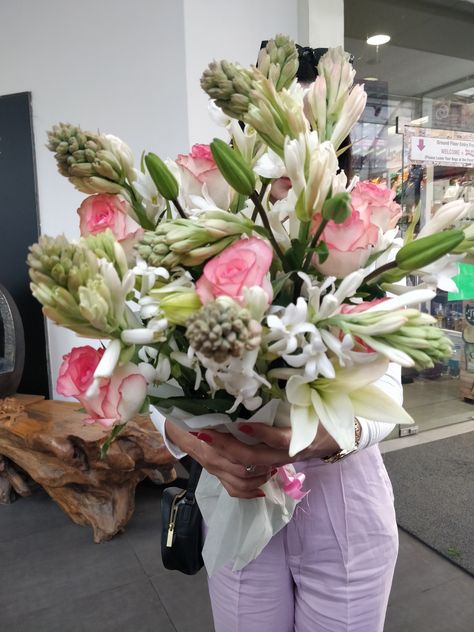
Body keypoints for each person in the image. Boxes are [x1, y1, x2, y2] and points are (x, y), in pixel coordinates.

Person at [154, 44, 401, 632]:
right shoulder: (197, 232)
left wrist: (331, 437)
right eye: (269, 118)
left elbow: (388, 384)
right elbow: (157, 375)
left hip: (344, 502)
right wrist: (195, 444)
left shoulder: (366, 235)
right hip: (239, 498)